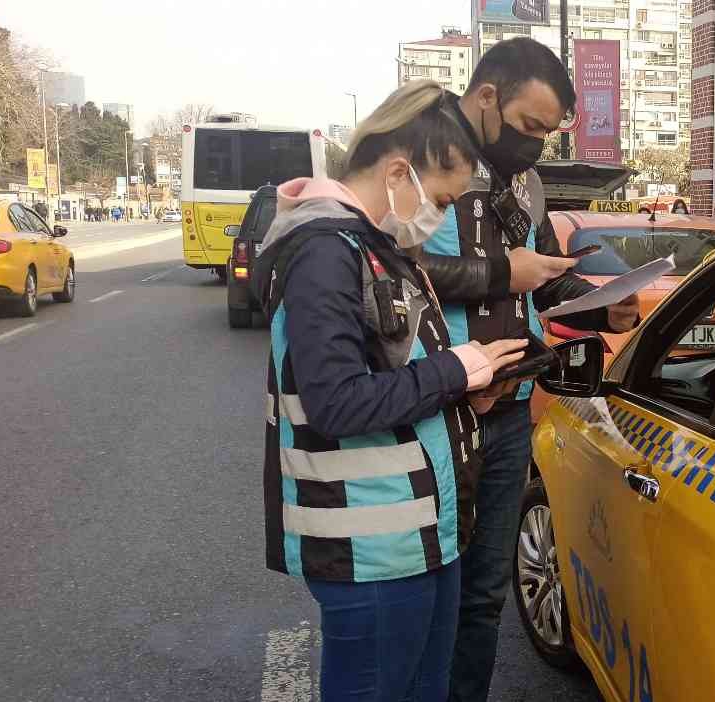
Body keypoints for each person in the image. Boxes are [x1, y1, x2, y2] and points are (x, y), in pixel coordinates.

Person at [254, 80, 527, 702]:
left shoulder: (374, 246)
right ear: (399, 171)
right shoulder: (325, 248)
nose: (438, 214)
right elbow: (336, 401)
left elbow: (391, 377)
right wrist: (455, 370)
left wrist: (464, 391)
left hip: (418, 538)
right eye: (440, 197)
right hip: (373, 550)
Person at [410, 37, 640, 702]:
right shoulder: (421, 166)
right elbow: (395, 273)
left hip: (510, 409)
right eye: (529, 126)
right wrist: (500, 271)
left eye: (547, 131)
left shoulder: (525, 183)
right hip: (436, 409)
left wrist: (601, 314)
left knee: (484, 594)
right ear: (487, 98)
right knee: (427, 588)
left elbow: (540, 282)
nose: (535, 143)